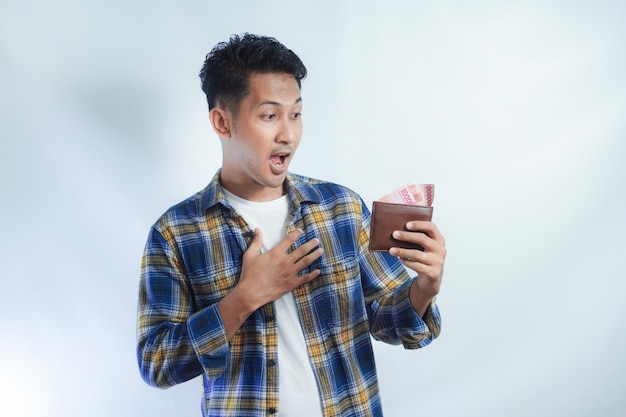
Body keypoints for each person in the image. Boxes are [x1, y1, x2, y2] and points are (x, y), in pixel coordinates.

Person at [137, 33, 446, 417]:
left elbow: (391, 322)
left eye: (295, 114)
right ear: (222, 122)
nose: (288, 133)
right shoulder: (175, 232)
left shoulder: (341, 208)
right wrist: (245, 297)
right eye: (269, 116)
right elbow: (156, 363)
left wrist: (425, 287)